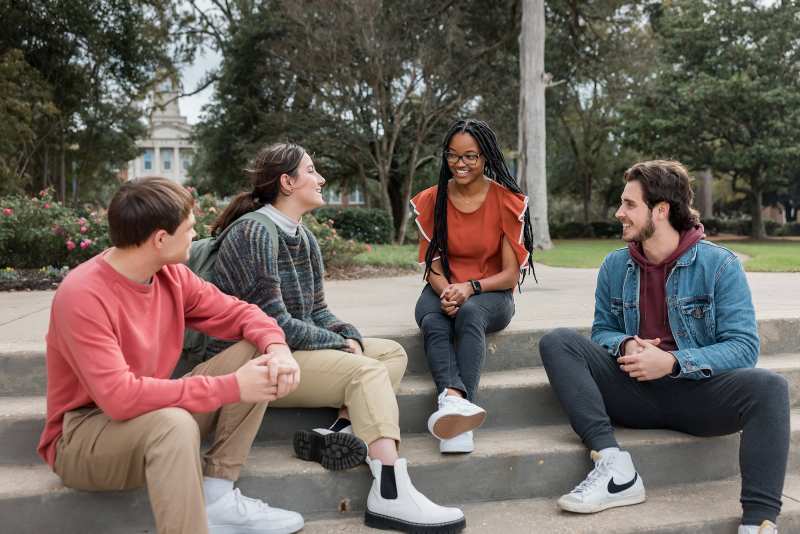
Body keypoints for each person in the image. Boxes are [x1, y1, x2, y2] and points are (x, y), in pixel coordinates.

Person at [206, 142, 466, 533]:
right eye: (311, 171)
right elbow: (271, 324)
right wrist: (337, 346)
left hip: (296, 355)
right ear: (287, 182)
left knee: (390, 353)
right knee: (366, 373)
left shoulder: (303, 237)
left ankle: (339, 431)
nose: (322, 178)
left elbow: (318, 312)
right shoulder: (254, 233)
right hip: (258, 364)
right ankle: (391, 492)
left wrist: (348, 335)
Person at [37, 177, 306, 534]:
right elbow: (120, 398)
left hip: (151, 414)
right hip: (84, 438)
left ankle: (217, 495)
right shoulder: (82, 295)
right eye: (190, 228)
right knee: (173, 424)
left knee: (256, 350)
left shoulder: (171, 275)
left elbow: (242, 314)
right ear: (160, 239)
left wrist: (278, 348)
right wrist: (233, 387)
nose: (196, 235)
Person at [538, 160, 789, 534]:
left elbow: (743, 347)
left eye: (629, 204)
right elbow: (602, 331)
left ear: (661, 210)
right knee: (557, 342)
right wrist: (624, 344)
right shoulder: (614, 266)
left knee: (771, 387)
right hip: (634, 392)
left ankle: (758, 523)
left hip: (699, 397)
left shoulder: (719, 265)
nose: (619, 213)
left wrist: (672, 361)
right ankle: (614, 467)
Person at [411, 118, 535, 454]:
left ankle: (459, 414)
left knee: (468, 315)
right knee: (434, 319)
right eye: (453, 155)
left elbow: (510, 274)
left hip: (490, 293)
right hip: (443, 287)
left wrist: (469, 288)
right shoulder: (431, 200)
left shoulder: (506, 200)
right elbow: (432, 270)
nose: (460, 164)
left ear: (486, 158)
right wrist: (448, 291)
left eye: (470, 156)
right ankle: (454, 403)